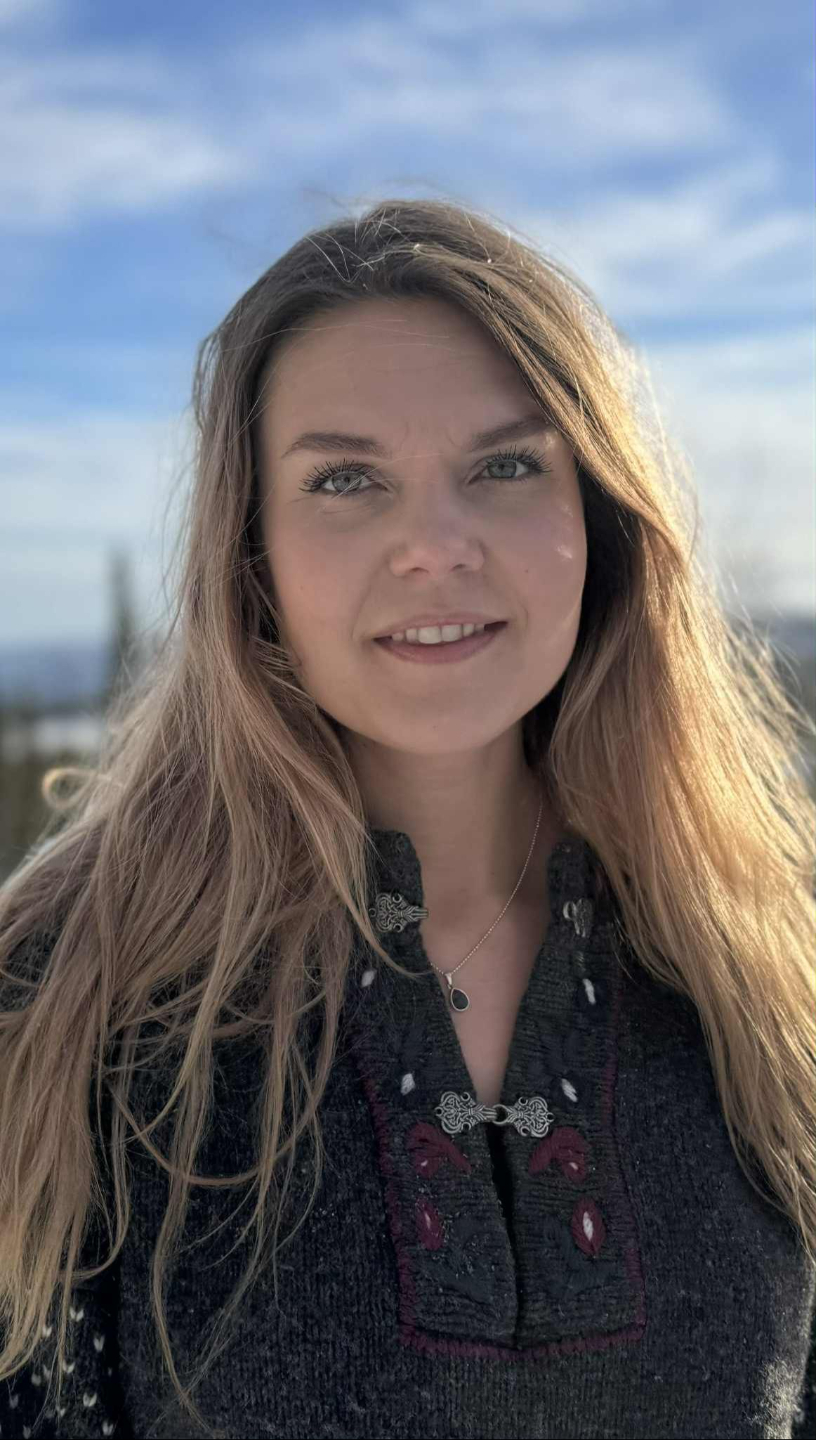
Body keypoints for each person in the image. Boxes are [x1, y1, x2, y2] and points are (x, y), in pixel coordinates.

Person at [0, 197, 813, 1440]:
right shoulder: (60, 1006)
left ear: (595, 516)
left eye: (505, 465)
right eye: (345, 479)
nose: (435, 545)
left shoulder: (764, 970)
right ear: (251, 553)